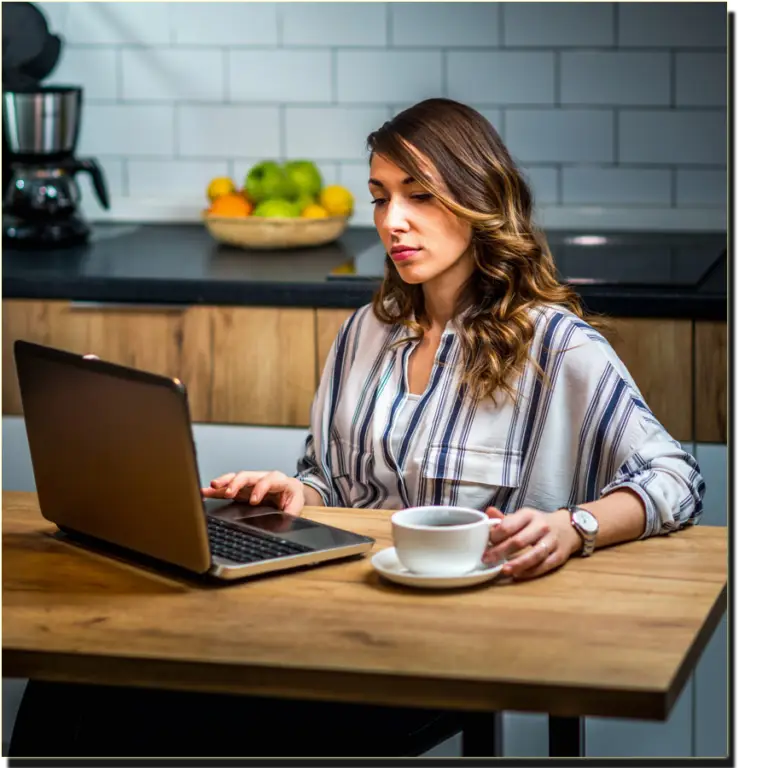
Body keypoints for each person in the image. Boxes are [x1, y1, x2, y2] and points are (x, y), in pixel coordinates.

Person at [10, 98, 705, 758]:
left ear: (479, 200)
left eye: (419, 194)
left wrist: (573, 526)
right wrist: (292, 491)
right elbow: (329, 478)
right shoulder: (365, 334)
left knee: (156, 710)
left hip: (456, 646)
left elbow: (675, 476)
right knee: (73, 677)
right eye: (379, 196)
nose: (392, 220)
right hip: (336, 622)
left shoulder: (556, 346)